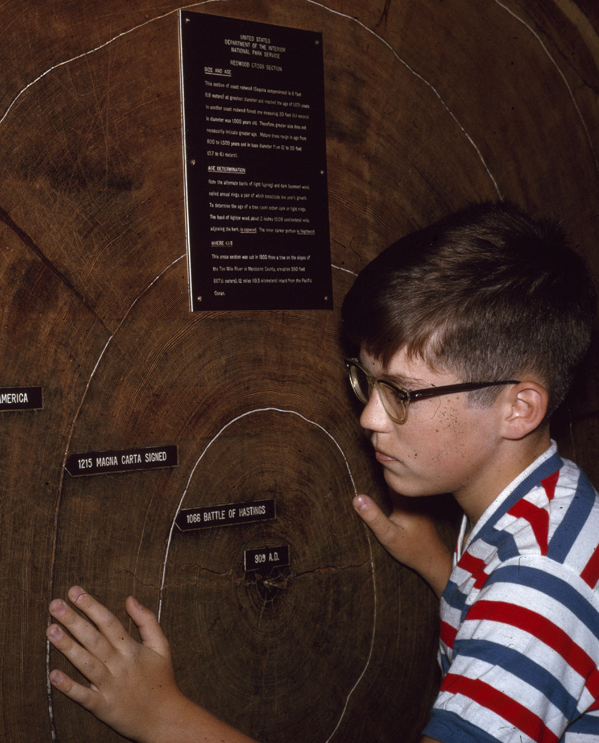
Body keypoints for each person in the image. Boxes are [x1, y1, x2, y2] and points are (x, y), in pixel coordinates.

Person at [46, 202, 599, 743]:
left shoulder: (537, 589)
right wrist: (442, 568)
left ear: (519, 408)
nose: (370, 416)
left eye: (402, 393)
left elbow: (531, 611)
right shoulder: (551, 501)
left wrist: (160, 718)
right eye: (368, 381)